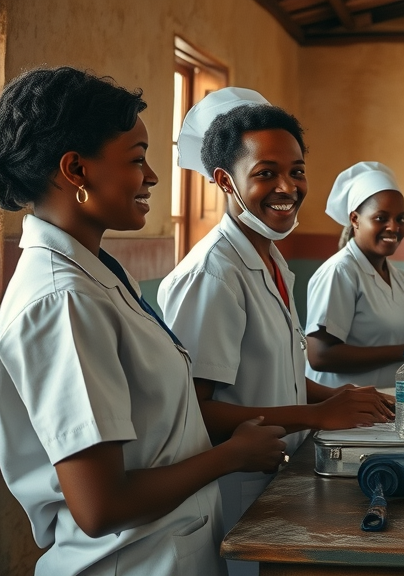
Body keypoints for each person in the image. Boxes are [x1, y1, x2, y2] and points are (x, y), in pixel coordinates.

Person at [0, 67, 288, 576]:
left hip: (169, 550)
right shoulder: (62, 301)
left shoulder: (99, 276)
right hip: (128, 562)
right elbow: (100, 507)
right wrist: (233, 454)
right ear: (75, 170)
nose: (153, 176)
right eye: (137, 159)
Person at [158, 89, 392, 576]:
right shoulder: (214, 273)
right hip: (237, 491)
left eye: (297, 170)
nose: (287, 186)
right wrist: (319, 414)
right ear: (225, 180)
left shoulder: (271, 258)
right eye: (266, 173)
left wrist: (332, 398)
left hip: (280, 475)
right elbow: (193, 410)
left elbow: (273, 371)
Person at [305, 161, 404, 388]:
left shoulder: (401, 278)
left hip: (390, 407)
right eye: (381, 218)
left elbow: (396, 342)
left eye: (400, 218)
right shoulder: (341, 272)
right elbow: (320, 356)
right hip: (346, 412)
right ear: (355, 220)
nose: (393, 227)